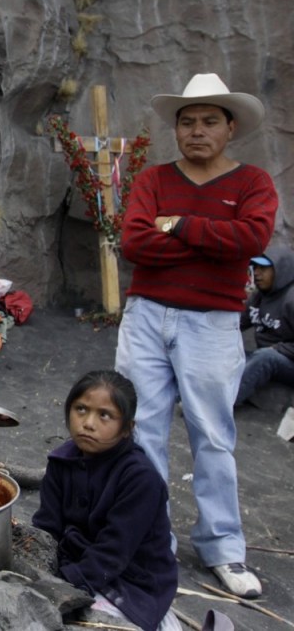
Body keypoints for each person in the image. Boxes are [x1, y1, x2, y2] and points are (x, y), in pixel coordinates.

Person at [114, 73, 277, 598]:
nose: (197, 131)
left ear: (231, 128)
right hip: (146, 315)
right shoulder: (154, 179)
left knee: (212, 434)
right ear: (177, 129)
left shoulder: (253, 183)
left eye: (209, 121)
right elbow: (135, 242)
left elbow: (250, 239)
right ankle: (148, 540)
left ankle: (224, 549)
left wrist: (179, 225)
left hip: (213, 322)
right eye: (187, 122)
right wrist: (213, 242)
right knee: (141, 429)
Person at [33, 370, 179, 631]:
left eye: (105, 415)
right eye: (80, 409)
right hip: (76, 565)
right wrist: (37, 569)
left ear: (127, 429)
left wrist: (63, 585)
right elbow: (46, 528)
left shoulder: (140, 479)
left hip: (130, 582)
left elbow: (113, 552)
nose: (88, 423)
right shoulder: (61, 462)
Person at [236, 244, 294, 406]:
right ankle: (190, 393)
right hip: (265, 356)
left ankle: (218, 405)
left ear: (281, 270)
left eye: (264, 268)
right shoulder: (260, 296)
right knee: (229, 352)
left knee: (266, 357)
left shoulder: (291, 299)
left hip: (286, 362)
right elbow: (237, 324)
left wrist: (277, 349)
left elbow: (270, 355)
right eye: (255, 267)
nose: (257, 273)